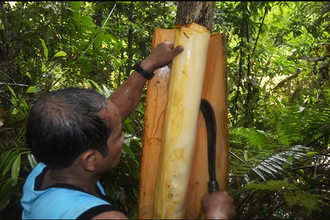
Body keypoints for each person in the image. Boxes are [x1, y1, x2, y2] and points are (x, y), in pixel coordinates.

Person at [21, 41, 236, 219]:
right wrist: (217, 215)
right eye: (118, 136)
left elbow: (110, 114)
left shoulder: (49, 166)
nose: (123, 138)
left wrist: (147, 66)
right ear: (90, 160)